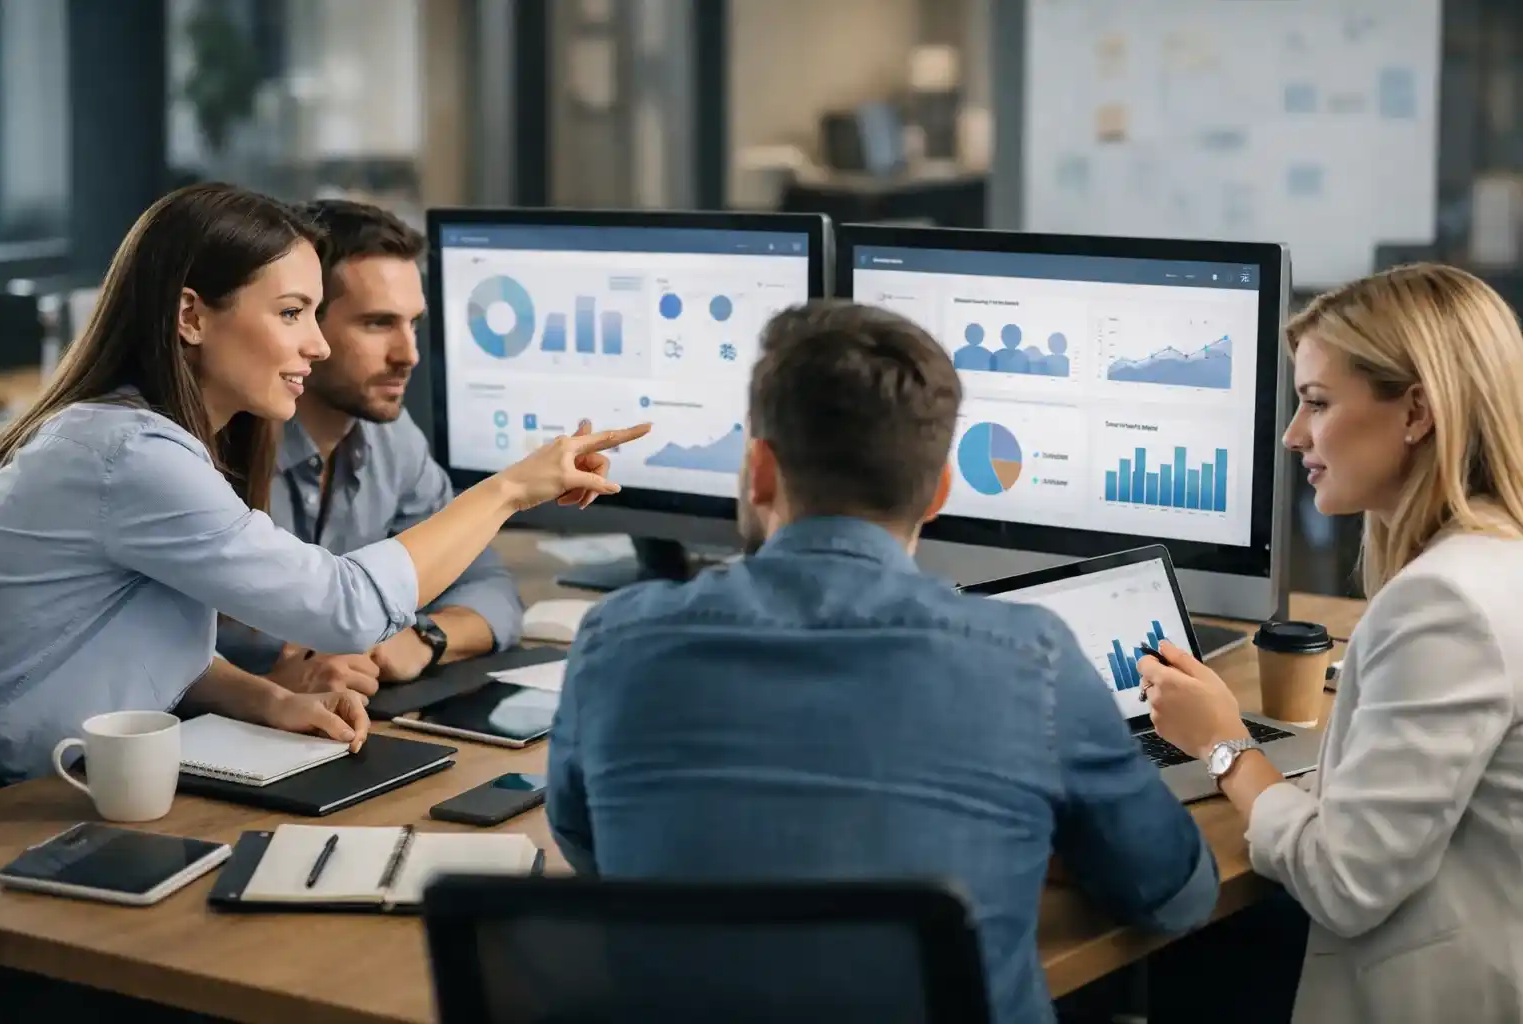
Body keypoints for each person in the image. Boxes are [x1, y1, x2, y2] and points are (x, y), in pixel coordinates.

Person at [546, 300, 1217, 1024]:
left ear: (759, 471)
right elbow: (1173, 894)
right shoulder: (1032, 660)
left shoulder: (614, 642)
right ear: (939, 492)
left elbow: (595, 852)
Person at [0, 183, 647, 785]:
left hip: (67, 786)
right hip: (13, 801)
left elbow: (145, 635)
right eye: (293, 313)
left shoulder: (148, 441)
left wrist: (271, 700)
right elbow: (346, 607)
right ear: (190, 316)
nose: (318, 345)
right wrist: (510, 488)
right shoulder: (134, 454)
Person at [1137, 264, 1523, 1023]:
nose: (1293, 435)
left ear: (1416, 411)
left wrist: (1224, 746)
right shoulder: (1495, 557)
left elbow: (1346, 882)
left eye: (1317, 403)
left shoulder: (1443, 601)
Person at [216, 199, 522, 695]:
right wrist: (269, 688)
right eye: (377, 324)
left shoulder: (391, 438)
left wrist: (424, 639)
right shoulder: (204, 448)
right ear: (305, 320)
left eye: (413, 323)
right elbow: (145, 651)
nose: (409, 355)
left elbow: (490, 587)